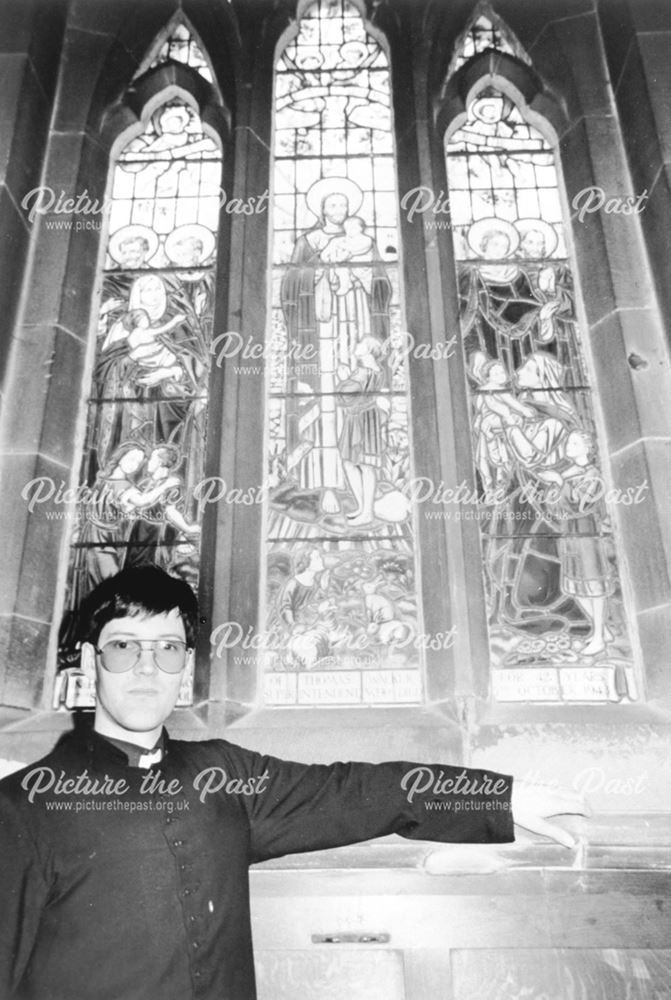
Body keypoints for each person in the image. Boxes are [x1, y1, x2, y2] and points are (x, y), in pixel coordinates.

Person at [0, 567, 586, 1000]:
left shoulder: (222, 772)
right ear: (86, 660)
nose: (149, 669)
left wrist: (501, 796)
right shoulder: (21, 806)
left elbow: (357, 790)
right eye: (125, 648)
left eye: (170, 649)